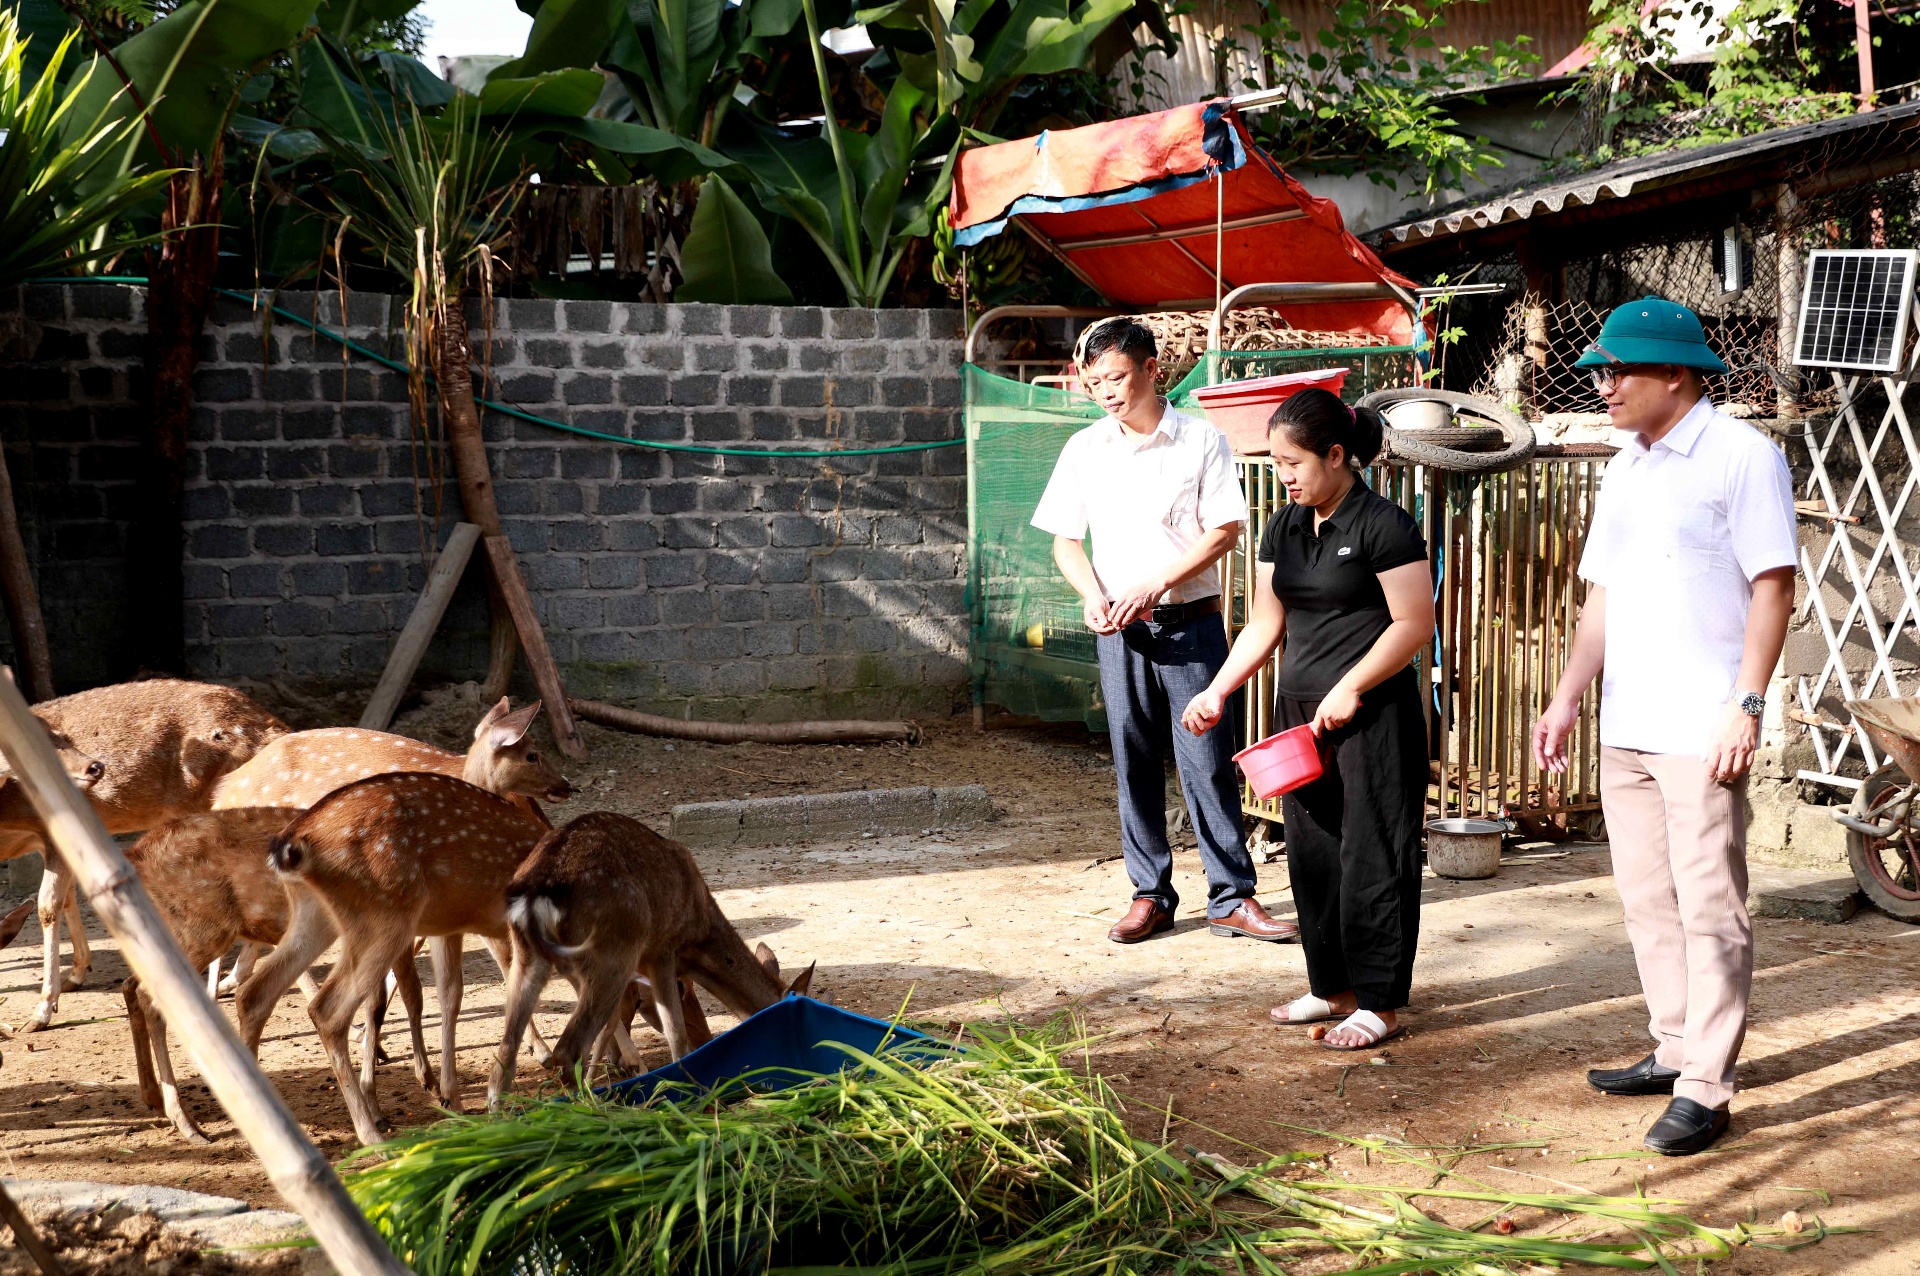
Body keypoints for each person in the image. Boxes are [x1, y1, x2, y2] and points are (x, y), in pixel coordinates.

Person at [1532, 296, 1795, 1156]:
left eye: (1618, 372)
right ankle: (1676, 1046)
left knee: (1710, 904)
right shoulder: (1626, 468)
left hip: (1702, 723)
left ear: (1676, 374)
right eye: (1600, 374)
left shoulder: (1742, 456)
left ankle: (1708, 1087)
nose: (1603, 387)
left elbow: (1773, 586)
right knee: (1647, 897)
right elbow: (1602, 595)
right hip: (1629, 720)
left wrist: (1745, 704)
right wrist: (1568, 696)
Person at [1182, 388, 1435, 1051]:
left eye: (1294, 463)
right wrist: (1218, 690)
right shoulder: (1284, 526)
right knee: (1313, 853)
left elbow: (1414, 624)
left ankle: (1379, 1002)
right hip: (1299, 716)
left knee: (1374, 854)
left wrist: (1352, 685)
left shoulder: (1384, 525)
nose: (1285, 476)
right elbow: (1267, 622)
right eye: (1276, 463)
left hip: (1372, 713)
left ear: (1337, 454)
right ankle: (1333, 988)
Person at [1032, 317, 1296, 946]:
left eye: (1116, 377)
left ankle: (1231, 897)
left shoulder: (1201, 440)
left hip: (1189, 626)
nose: (1106, 392)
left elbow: (1224, 531)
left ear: (1152, 370)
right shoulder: (1084, 449)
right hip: (1119, 633)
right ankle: (1150, 894)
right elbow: (1066, 541)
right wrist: (1092, 595)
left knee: (1207, 761)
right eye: (1094, 382)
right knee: (1133, 761)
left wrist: (1154, 585)